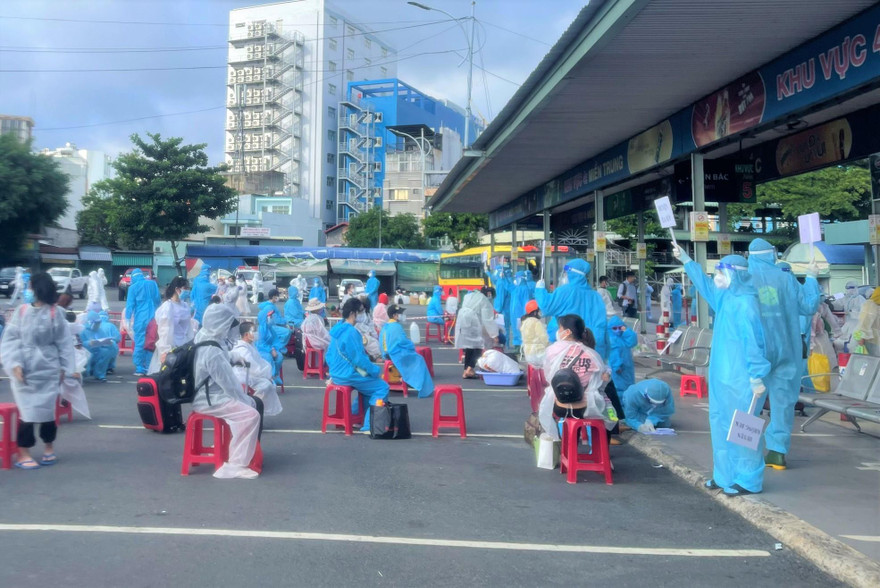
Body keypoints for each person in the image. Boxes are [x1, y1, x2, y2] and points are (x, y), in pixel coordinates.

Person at [674, 246, 770, 495]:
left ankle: (748, 479)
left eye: (721, 271)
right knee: (720, 424)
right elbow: (705, 287)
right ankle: (724, 475)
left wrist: (757, 375)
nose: (717, 276)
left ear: (735, 274)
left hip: (743, 379)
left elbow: (755, 342)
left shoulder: (746, 304)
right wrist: (687, 261)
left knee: (743, 429)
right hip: (722, 377)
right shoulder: (726, 297)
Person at [747, 238, 821, 471]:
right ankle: (777, 454)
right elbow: (809, 306)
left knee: (749, 402)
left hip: (755, 350)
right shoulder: (787, 278)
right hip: (787, 350)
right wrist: (811, 277)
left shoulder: (743, 279)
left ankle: (745, 451)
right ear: (771, 254)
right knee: (783, 402)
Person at [0, 272, 77, 469]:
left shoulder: (55, 313)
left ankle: (48, 448)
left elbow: (65, 343)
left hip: (48, 368)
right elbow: (10, 339)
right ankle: (23, 451)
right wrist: (14, 364)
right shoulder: (22, 311)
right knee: (27, 413)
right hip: (24, 370)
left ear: (34, 288)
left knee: (47, 412)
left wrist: (65, 367)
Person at [193, 304, 262, 479]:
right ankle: (235, 465)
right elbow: (229, 384)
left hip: (207, 394)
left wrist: (233, 357)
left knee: (252, 406)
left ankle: (241, 452)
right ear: (220, 324)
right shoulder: (212, 351)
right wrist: (245, 401)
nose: (229, 329)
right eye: (227, 324)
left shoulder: (205, 335)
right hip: (210, 399)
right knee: (251, 415)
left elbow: (222, 358)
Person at [538, 314, 617, 441]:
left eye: (560, 328)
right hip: (587, 407)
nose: (558, 332)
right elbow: (601, 383)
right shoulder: (593, 354)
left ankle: (569, 450)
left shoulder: (553, 350)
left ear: (567, 332)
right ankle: (602, 452)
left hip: (560, 406)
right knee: (606, 404)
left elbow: (549, 377)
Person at [327, 297, 390, 430]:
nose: (362, 315)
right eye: (360, 312)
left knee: (368, 384)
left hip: (337, 372)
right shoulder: (351, 332)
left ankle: (355, 415)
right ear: (352, 314)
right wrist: (375, 371)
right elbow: (359, 360)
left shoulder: (337, 329)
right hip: (349, 373)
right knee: (381, 387)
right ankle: (370, 424)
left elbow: (329, 356)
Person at [535, 259, 609, 358]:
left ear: (571, 273)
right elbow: (602, 325)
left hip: (568, 346)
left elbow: (546, 306)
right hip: (593, 348)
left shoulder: (565, 291)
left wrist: (540, 290)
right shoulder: (596, 296)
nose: (564, 275)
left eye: (566, 273)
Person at [380, 304, 434, 398]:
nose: (401, 315)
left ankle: (410, 381)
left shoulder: (386, 326)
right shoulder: (396, 327)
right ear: (395, 315)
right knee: (419, 359)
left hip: (387, 354)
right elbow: (403, 341)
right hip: (396, 354)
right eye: (400, 314)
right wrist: (411, 346)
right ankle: (415, 383)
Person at [230, 321, 283, 417]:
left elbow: (260, 362)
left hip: (250, 374)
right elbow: (253, 367)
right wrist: (267, 375)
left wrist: (268, 372)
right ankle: (253, 408)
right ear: (246, 334)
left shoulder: (250, 345)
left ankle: (257, 409)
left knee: (267, 383)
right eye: (253, 331)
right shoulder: (242, 349)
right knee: (266, 385)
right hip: (242, 376)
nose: (256, 333)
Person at [148, 277, 194, 374]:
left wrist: (192, 344)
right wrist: (165, 350)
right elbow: (164, 330)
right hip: (171, 346)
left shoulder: (185, 305)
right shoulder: (168, 306)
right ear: (177, 289)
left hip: (184, 346)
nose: (187, 291)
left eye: (188, 288)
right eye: (185, 288)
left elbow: (189, 328)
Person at [454, 287, 499, 379]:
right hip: (472, 321)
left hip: (463, 320)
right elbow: (488, 320)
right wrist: (494, 335)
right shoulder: (484, 300)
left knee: (469, 346)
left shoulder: (469, 295)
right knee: (479, 345)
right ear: (489, 294)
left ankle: (466, 370)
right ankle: (469, 369)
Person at [124, 268, 160, 376]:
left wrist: (127, 319)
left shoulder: (133, 288)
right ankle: (149, 366)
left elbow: (130, 305)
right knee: (151, 342)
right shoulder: (152, 284)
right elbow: (158, 300)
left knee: (139, 343)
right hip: (153, 318)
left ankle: (140, 368)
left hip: (140, 318)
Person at [256, 290, 290, 385]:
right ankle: (270, 378)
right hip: (263, 350)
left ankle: (275, 375)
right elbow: (261, 344)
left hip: (270, 348)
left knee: (279, 357)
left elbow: (275, 340)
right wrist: (271, 350)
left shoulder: (270, 328)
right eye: (270, 317)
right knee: (268, 358)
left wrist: (275, 348)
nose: (271, 319)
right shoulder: (262, 329)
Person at [80, 310, 121, 381]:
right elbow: (79, 344)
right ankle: (85, 373)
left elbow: (104, 339)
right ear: (90, 322)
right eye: (96, 323)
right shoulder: (82, 330)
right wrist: (88, 343)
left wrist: (109, 343)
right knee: (87, 355)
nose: (97, 325)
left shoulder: (99, 330)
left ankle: (100, 374)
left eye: (99, 323)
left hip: (98, 350)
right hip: (86, 351)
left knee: (106, 351)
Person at [607, 315, 637, 393]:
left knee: (628, 387)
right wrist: (617, 366)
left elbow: (632, 341)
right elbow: (613, 355)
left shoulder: (622, 338)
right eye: (614, 328)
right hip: (618, 370)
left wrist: (626, 331)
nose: (617, 330)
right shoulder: (612, 339)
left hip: (626, 368)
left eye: (619, 328)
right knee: (620, 388)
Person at [838, 281, 865, 352]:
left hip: (858, 324)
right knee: (847, 341)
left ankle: (856, 356)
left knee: (856, 343)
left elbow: (863, 313)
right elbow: (837, 303)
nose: (849, 290)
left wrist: (852, 312)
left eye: (851, 288)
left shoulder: (860, 299)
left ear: (856, 288)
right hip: (849, 323)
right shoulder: (846, 299)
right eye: (848, 288)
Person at [520, 300, 549, 368]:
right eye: (539, 311)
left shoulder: (524, 323)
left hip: (528, 355)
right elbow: (544, 338)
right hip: (538, 354)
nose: (540, 312)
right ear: (535, 312)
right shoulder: (536, 322)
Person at [509, 271, 533, 348]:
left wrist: (525, 314)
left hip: (520, 314)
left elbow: (526, 303)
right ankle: (517, 345)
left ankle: (521, 347)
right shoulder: (516, 288)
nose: (516, 280)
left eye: (517, 278)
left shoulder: (525, 289)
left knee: (521, 330)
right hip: (514, 314)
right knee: (515, 329)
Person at [854, 287, 880, 356]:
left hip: (876, 338)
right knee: (873, 361)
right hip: (872, 339)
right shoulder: (870, 305)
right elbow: (864, 322)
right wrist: (862, 337)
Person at [355, 295, 381, 361]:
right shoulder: (356, 314)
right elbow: (357, 325)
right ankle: (376, 357)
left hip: (366, 335)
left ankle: (375, 357)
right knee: (372, 344)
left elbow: (371, 326)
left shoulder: (366, 314)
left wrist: (375, 336)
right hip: (360, 334)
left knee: (374, 343)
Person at [492, 268, 513, 349]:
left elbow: (500, 298)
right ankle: (507, 345)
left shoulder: (500, 283)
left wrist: (497, 310)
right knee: (507, 328)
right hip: (508, 309)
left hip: (503, 310)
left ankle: (505, 346)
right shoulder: (507, 281)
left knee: (503, 329)